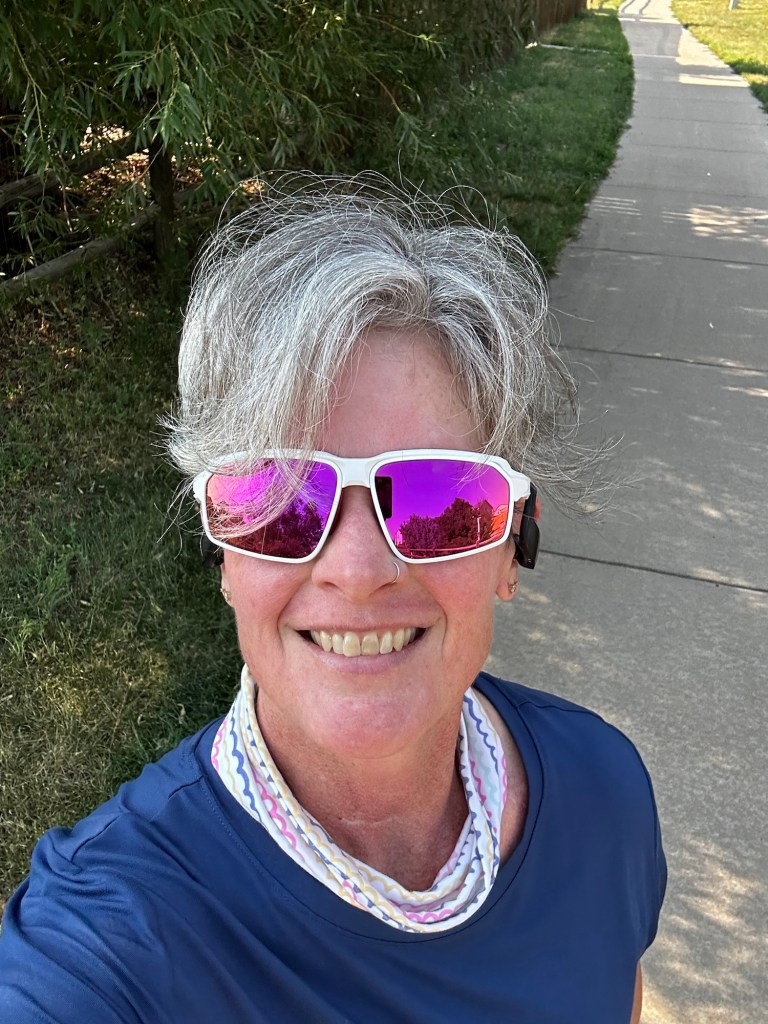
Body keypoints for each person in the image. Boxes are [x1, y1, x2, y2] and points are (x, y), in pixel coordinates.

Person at [0, 176, 665, 1023]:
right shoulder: (113, 938)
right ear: (224, 557)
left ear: (512, 547)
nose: (356, 569)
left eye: (438, 499)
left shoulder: (603, 790)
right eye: (282, 501)